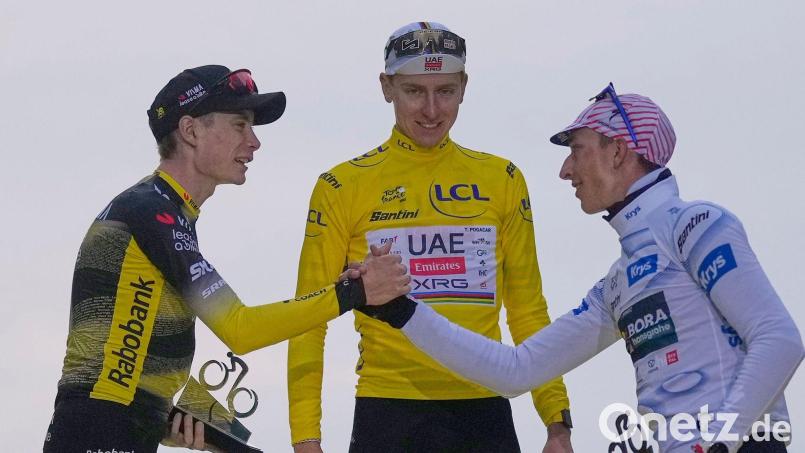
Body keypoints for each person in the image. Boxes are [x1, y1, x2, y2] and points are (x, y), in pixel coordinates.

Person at [367, 84, 805, 452]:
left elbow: (779, 339)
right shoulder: (618, 282)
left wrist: (718, 442)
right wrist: (401, 310)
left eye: (577, 150)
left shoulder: (696, 224)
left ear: (617, 151)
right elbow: (516, 370)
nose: (565, 170)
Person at [43, 64, 410, 453]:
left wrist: (177, 422)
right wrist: (355, 292)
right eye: (240, 125)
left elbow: (121, 363)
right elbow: (240, 329)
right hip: (99, 427)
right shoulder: (151, 211)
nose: (254, 142)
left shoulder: (162, 209)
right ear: (190, 131)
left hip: (108, 426)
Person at [287, 22, 573, 453]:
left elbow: (528, 311)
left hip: (485, 409)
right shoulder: (341, 186)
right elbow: (308, 320)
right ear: (387, 87)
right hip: (388, 410)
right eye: (414, 91)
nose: (432, 109)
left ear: (464, 87)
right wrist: (305, 439)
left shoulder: (502, 179)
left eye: (446, 91)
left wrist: (556, 421)